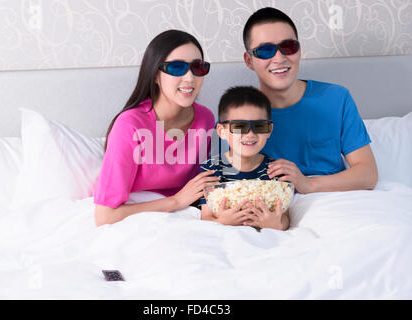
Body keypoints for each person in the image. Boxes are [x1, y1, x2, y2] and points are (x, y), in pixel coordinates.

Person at [242, 7, 378, 194]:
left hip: (333, 202)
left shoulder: (337, 99)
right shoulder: (239, 115)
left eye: (288, 47)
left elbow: (368, 174)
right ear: (249, 61)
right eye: (265, 51)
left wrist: (308, 184)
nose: (279, 58)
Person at [94, 30, 219, 226]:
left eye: (198, 68)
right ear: (155, 75)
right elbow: (105, 216)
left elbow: (200, 186)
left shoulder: (206, 119)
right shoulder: (130, 125)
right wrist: (176, 201)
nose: (190, 78)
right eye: (177, 67)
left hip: (186, 216)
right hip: (135, 218)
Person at [200, 86, 289, 230]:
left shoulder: (276, 170)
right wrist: (222, 222)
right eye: (240, 126)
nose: (250, 134)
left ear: (269, 130)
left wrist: (276, 224)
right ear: (222, 131)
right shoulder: (211, 169)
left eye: (259, 126)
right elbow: (206, 217)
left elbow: (284, 217)